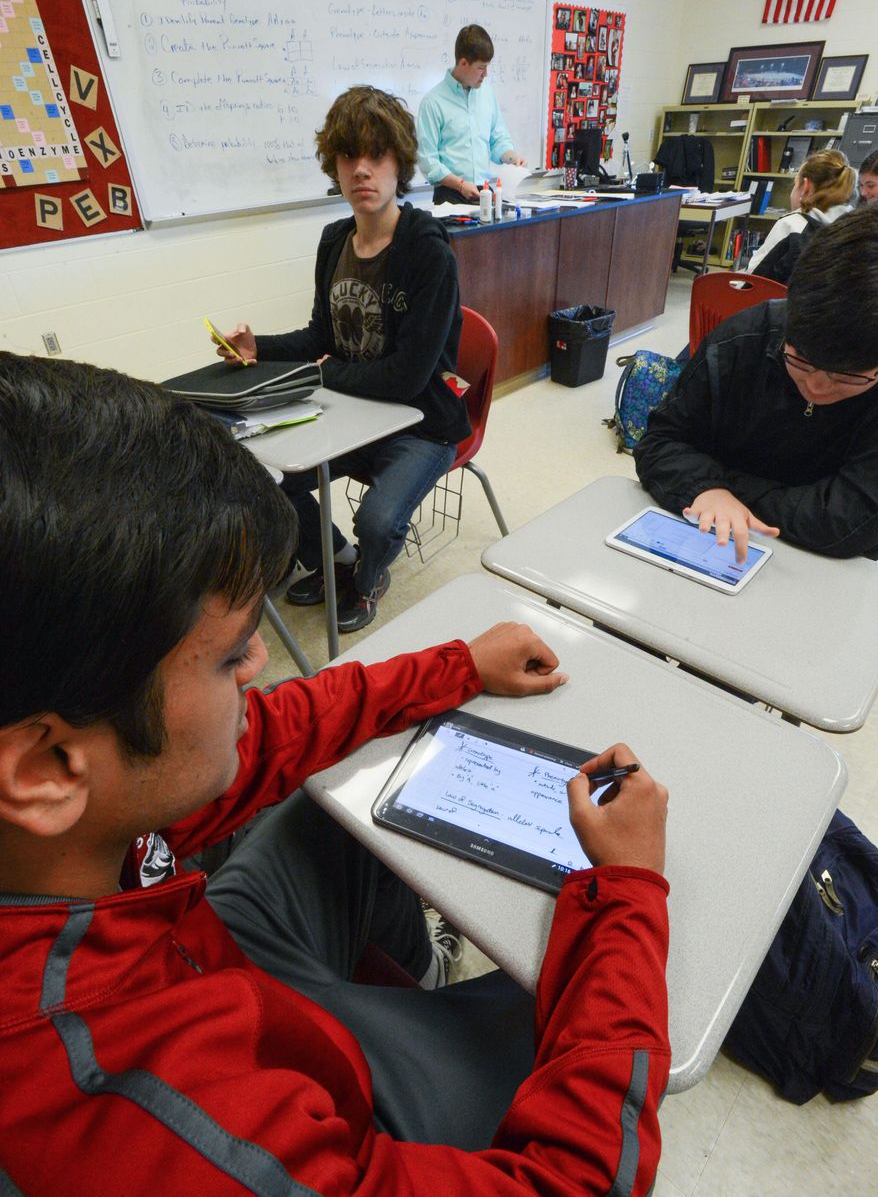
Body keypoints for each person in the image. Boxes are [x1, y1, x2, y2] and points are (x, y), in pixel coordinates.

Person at [0, 351, 671, 1196]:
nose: (257, 664)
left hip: (202, 955)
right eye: (226, 657)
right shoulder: (168, 1134)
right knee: (554, 1000)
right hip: (279, 1088)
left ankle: (406, 983)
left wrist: (456, 665)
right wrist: (629, 894)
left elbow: (274, 734)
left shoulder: (51, 818)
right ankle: (434, 1024)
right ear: (48, 768)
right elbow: (574, 1185)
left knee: (336, 806)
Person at [216, 87, 470, 634]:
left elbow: (407, 378)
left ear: (399, 163)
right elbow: (318, 336)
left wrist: (320, 372)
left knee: (377, 520)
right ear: (334, 164)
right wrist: (261, 347)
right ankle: (338, 560)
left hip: (423, 421)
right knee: (263, 478)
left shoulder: (428, 248)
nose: (361, 170)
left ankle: (370, 575)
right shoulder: (335, 241)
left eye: (376, 155)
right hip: (352, 411)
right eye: (348, 156)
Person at [635, 208, 878, 564]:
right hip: (712, 535)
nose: (817, 387)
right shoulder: (744, 338)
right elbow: (660, 441)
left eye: (846, 376)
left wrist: (723, 486)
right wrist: (707, 488)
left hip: (826, 565)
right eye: (801, 359)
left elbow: (845, 521)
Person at [417, 24, 527, 205]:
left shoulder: (487, 95)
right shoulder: (433, 102)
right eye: (481, 68)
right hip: (450, 195)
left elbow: (497, 139)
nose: (486, 74)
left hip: (484, 191)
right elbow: (429, 162)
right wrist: (460, 185)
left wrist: (512, 157)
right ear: (463, 63)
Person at [746, 148, 854, 280]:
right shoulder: (855, 225)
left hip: (789, 299)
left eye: (795, 183)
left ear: (805, 187)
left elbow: (752, 279)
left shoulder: (792, 224)